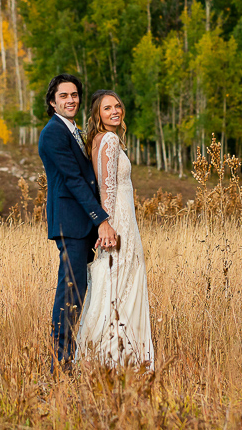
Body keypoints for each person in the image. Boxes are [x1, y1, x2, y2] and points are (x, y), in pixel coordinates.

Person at [37, 73, 119, 368]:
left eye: (74, 95)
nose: (70, 100)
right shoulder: (53, 133)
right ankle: (60, 362)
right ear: (52, 101)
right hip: (71, 223)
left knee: (80, 288)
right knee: (70, 289)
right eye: (63, 96)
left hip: (80, 224)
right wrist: (101, 218)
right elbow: (74, 180)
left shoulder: (72, 129)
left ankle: (78, 353)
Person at [74, 89, 155, 368]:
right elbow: (106, 187)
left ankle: (107, 353)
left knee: (115, 283)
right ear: (97, 114)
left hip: (117, 218)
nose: (115, 111)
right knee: (121, 282)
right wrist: (105, 224)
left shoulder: (97, 140)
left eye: (117, 106)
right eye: (107, 108)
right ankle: (117, 358)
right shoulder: (108, 139)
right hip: (118, 222)